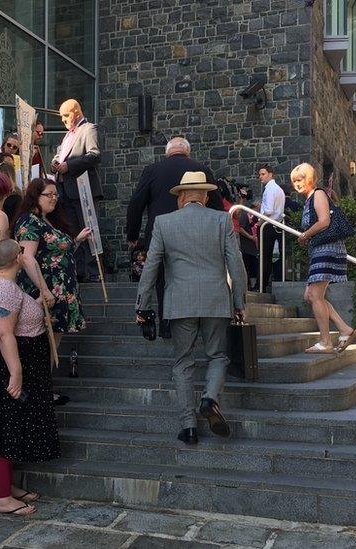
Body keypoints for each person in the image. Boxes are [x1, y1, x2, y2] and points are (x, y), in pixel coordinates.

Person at [134, 172, 246, 445]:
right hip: (216, 300)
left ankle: (188, 427)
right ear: (206, 196)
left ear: (181, 196)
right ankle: (209, 399)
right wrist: (240, 302)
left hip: (179, 302)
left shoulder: (163, 223)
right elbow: (237, 266)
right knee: (218, 356)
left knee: (183, 362)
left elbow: (150, 267)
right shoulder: (222, 220)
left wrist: (142, 304)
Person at [0, 239, 61, 516]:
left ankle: (7, 486)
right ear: (19, 258)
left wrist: (37, 301)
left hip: (16, 361)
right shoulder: (1, 288)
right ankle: (2, 498)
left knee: (9, 427)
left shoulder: (6, 284)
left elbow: (17, 316)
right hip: (4, 365)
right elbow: (3, 332)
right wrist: (15, 371)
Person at [125, 136, 224, 337]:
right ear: (188, 151)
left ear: (167, 152)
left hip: (160, 233)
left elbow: (136, 203)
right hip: (198, 234)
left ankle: (167, 325)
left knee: (161, 278)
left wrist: (133, 235)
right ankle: (199, 325)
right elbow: (217, 206)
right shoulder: (202, 170)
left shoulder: (152, 170)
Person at [289, 164, 356, 354]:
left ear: (309, 178)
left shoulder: (318, 194)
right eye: (294, 181)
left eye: (300, 180)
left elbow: (324, 221)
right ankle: (344, 329)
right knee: (310, 295)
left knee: (314, 295)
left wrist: (305, 235)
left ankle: (326, 341)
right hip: (321, 250)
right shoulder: (310, 198)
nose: (297, 184)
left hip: (327, 250)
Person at [15, 179, 90, 347]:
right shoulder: (29, 221)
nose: (54, 198)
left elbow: (57, 254)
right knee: (43, 349)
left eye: (56, 194)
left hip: (61, 291)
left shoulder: (48, 220)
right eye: (49, 194)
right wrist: (44, 290)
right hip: (44, 291)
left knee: (52, 346)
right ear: (35, 196)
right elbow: (26, 257)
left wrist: (77, 240)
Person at [50, 99, 102, 282]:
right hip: (66, 189)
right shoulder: (67, 135)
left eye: (65, 115)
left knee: (88, 228)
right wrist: (55, 162)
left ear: (76, 112)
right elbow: (61, 154)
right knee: (74, 229)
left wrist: (69, 166)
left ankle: (93, 271)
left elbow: (94, 155)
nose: (63, 120)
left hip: (83, 188)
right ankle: (79, 270)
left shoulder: (88, 129)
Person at [257, 164, 286, 293]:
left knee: (264, 256)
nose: (260, 177)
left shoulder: (270, 189)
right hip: (276, 224)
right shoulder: (278, 189)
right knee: (269, 256)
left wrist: (259, 223)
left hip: (268, 225)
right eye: (260, 174)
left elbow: (268, 210)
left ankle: (261, 285)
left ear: (270, 174)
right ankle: (263, 284)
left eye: (263, 174)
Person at [236, 191, 260, 291]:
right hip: (246, 246)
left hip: (253, 248)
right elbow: (240, 228)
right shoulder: (245, 214)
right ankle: (246, 287)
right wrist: (250, 237)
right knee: (246, 266)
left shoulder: (257, 216)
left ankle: (253, 287)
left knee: (253, 267)